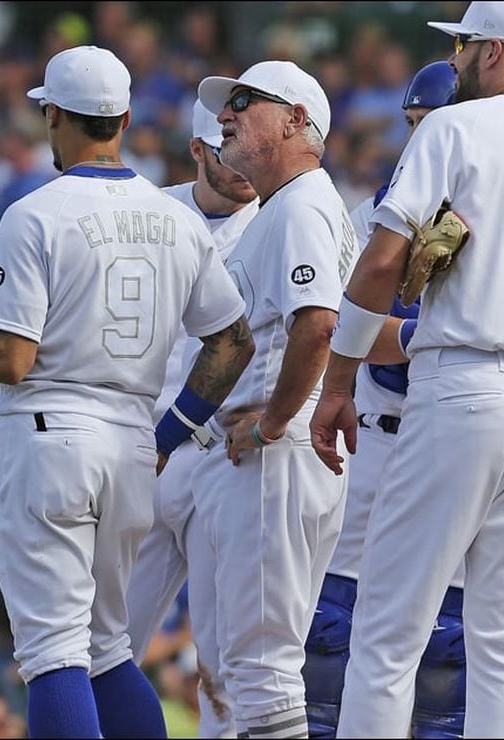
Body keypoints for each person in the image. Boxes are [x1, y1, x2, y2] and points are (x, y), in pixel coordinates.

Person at [0, 46, 254, 738]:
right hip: (134, 437)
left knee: (53, 653)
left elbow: (10, 357)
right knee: (107, 649)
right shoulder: (176, 218)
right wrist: (168, 436)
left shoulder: (34, 213)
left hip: (51, 433)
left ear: (53, 117)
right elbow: (232, 342)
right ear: (125, 117)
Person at [310, 3, 504, 736]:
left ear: (496, 52)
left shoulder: (454, 126)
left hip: (468, 386)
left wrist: (340, 378)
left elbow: (382, 262)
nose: (453, 61)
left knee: (387, 629)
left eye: (464, 47)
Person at [302, 60, 466, 739]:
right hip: (372, 430)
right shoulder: (371, 216)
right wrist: (429, 333)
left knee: (447, 641)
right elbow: (340, 329)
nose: (420, 138)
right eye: (413, 124)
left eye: (434, 124)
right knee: (330, 627)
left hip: (457, 434)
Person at [194, 60, 358, 738]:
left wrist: (272, 422)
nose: (226, 114)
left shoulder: (300, 203)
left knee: (262, 668)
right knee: (253, 666)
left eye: (244, 102)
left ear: (295, 119)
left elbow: (317, 323)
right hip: (274, 454)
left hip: (270, 457)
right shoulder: (291, 205)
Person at [124, 99, 259, 738]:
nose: (241, 165)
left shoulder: (278, 218)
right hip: (142, 446)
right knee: (107, 643)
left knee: (221, 659)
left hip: (221, 448)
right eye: (224, 151)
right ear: (198, 150)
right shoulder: (147, 210)